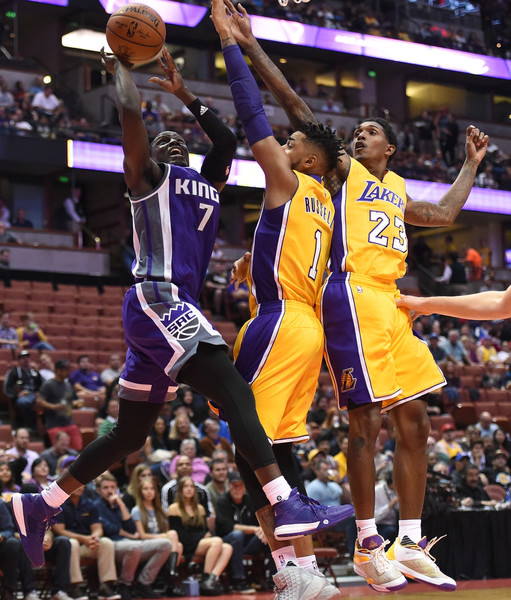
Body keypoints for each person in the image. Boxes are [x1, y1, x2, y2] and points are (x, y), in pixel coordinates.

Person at [11, 42, 355, 575]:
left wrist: (184, 93)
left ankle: (42, 504)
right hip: (158, 298)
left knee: (129, 435)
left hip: (173, 312)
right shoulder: (146, 179)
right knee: (236, 390)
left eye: (177, 138)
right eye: (161, 138)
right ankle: (284, 497)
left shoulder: (207, 183)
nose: (169, 139)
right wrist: (124, 71)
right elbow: (131, 118)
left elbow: (224, 138)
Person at [219, 0, 487, 592]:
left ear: (389, 149)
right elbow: (296, 108)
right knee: (364, 422)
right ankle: (368, 543)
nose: (360, 133)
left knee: (415, 419)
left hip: (391, 301)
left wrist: (470, 164)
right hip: (351, 294)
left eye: (371, 132)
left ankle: (411, 541)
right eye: (356, 132)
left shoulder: (394, 189)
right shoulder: (342, 172)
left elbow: (443, 212)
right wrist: (249, 42)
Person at [210, 5, 351, 599]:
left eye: (292, 143)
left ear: (308, 160)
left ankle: (296, 570)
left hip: (280, 322)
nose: (284, 145)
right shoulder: (326, 196)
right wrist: (253, 262)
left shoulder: (290, 180)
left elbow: (249, 115)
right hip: (304, 328)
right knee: (267, 450)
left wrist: (230, 46)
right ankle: (301, 570)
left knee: (249, 445)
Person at [94, 472, 172, 600]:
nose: (110, 491)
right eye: (106, 488)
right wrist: (130, 535)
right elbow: (109, 529)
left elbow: (130, 526)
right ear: (98, 490)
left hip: (129, 543)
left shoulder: (119, 505)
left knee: (165, 544)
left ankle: (143, 583)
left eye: (113, 487)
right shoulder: (96, 506)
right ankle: (124, 584)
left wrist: (121, 504)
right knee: (134, 546)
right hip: (110, 544)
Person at [53, 484, 121, 600]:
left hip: (87, 545)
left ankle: (106, 586)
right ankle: (74, 586)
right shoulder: (59, 505)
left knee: (106, 542)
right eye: (76, 485)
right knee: (72, 543)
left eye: (81, 485)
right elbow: (60, 530)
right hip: (68, 547)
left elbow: (98, 528)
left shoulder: (90, 504)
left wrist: (94, 537)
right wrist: (83, 539)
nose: (79, 487)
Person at [168, 475, 232, 596]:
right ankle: (205, 577)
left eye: (191, 486)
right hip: (185, 545)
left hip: (200, 543)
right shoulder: (174, 508)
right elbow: (179, 534)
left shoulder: (200, 508)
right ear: (180, 490)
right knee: (217, 541)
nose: (189, 489)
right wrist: (204, 537)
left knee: (227, 547)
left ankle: (211, 580)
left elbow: (205, 530)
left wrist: (206, 536)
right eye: (186, 486)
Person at [215, 471, 270, 593]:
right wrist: (255, 529)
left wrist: (263, 529)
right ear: (228, 486)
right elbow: (229, 527)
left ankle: (273, 578)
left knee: (269, 534)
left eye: (240, 485)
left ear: (244, 487)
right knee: (237, 535)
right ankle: (239, 581)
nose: (237, 488)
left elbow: (259, 521)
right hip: (227, 543)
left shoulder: (249, 500)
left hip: (248, 544)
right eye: (234, 485)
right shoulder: (222, 501)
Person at [131, 476, 183, 592]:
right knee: (173, 535)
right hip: (145, 543)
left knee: (178, 546)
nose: (149, 492)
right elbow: (142, 535)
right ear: (140, 491)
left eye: (151, 489)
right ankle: (171, 576)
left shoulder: (160, 511)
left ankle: (169, 578)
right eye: (145, 489)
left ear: (155, 491)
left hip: (162, 543)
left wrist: (164, 536)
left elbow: (167, 532)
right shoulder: (137, 510)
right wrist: (162, 536)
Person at [36, 359, 83, 451]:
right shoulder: (48, 384)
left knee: (78, 448)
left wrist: (76, 403)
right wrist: (54, 406)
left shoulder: (68, 385)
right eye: (64, 369)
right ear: (57, 370)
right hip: (54, 424)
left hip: (69, 422)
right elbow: (40, 401)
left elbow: (74, 401)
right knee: (60, 450)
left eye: (67, 369)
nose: (67, 372)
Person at [3, 349, 43, 428]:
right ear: (19, 360)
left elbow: (41, 385)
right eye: (23, 358)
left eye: (27, 357)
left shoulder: (34, 372)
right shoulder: (13, 372)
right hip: (22, 396)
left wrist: (39, 392)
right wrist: (17, 394)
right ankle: (27, 424)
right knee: (23, 402)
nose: (26, 359)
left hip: (35, 395)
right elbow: (7, 388)